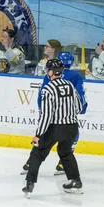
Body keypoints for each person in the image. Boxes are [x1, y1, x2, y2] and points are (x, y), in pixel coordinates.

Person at [22, 59, 83, 198]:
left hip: (55, 128)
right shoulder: (69, 85)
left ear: (50, 72)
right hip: (72, 127)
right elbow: (79, 107)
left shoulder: (48, 88)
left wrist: (38, 134)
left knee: (37, 153)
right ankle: (76, 182)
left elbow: (46, 115)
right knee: (66, 152)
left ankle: (29, 184)